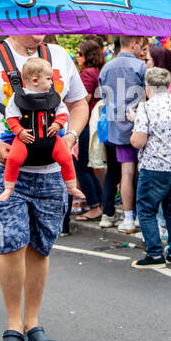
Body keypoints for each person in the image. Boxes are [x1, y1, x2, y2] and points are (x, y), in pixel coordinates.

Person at [0, 33, 88, 341]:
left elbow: (79, 103)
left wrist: (71, 135)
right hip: (3, 169)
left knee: (41, 246)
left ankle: (33, 324)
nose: (39, 23)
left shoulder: (58, 55)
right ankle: (13, 327)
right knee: (11, 242)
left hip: (50, 172)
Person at [129, 66, 171, 268]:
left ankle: (155, 254)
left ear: (147, 86)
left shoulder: (146, 108)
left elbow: (139, 141)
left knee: (147, 209)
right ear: (168, 85)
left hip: (155, 166)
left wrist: (134, 123)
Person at [0, 56, 82, 203]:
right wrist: (20, 132)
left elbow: (63, 113)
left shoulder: (53, 96)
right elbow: (11, 118)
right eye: (49, 79)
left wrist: (58, 124)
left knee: (66, 158)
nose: (52, 82)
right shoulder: (18, 97)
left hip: (50, 138)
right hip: (25, 139)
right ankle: (8, 188)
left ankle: (71, 187)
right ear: (35, 80)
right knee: (13, 159)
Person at [98, 37, 147, 232]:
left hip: (116, 127)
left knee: (125, 173)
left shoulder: (107, 67)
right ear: (133, 43)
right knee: (142, 173)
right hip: (139, 126)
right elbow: (148, 94)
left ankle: (127, 217)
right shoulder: (140, 66)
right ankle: (140, 216)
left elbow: (104, 96)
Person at [70, 37, 106, 221]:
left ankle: (94, 206)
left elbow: (83, 99)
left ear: (87, 55)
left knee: (81, 168)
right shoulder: (100, 71)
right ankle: (99, 204)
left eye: (79, 53)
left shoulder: (87, 74)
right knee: (89, 167)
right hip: (97, 123)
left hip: (85, 123)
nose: (77, 56)